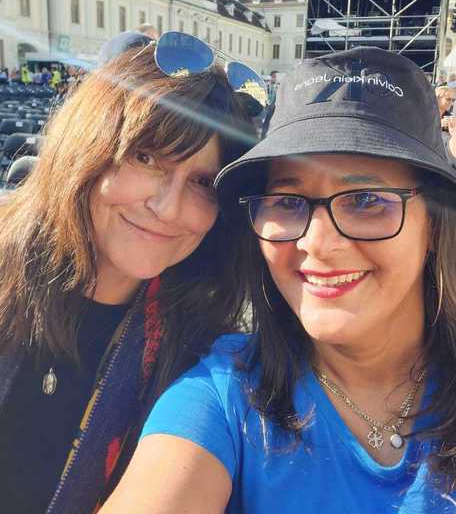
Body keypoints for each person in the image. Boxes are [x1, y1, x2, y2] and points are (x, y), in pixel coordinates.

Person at [101, 47, 456, 513]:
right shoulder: (223, 396)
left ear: (434, 224)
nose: (318, 243)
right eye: (288, 202)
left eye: (366, 199)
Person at [0, 31, 255, 514]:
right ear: (88, 148)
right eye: (146, 157)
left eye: (203, 182)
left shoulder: (203, 355)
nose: (168, 208)